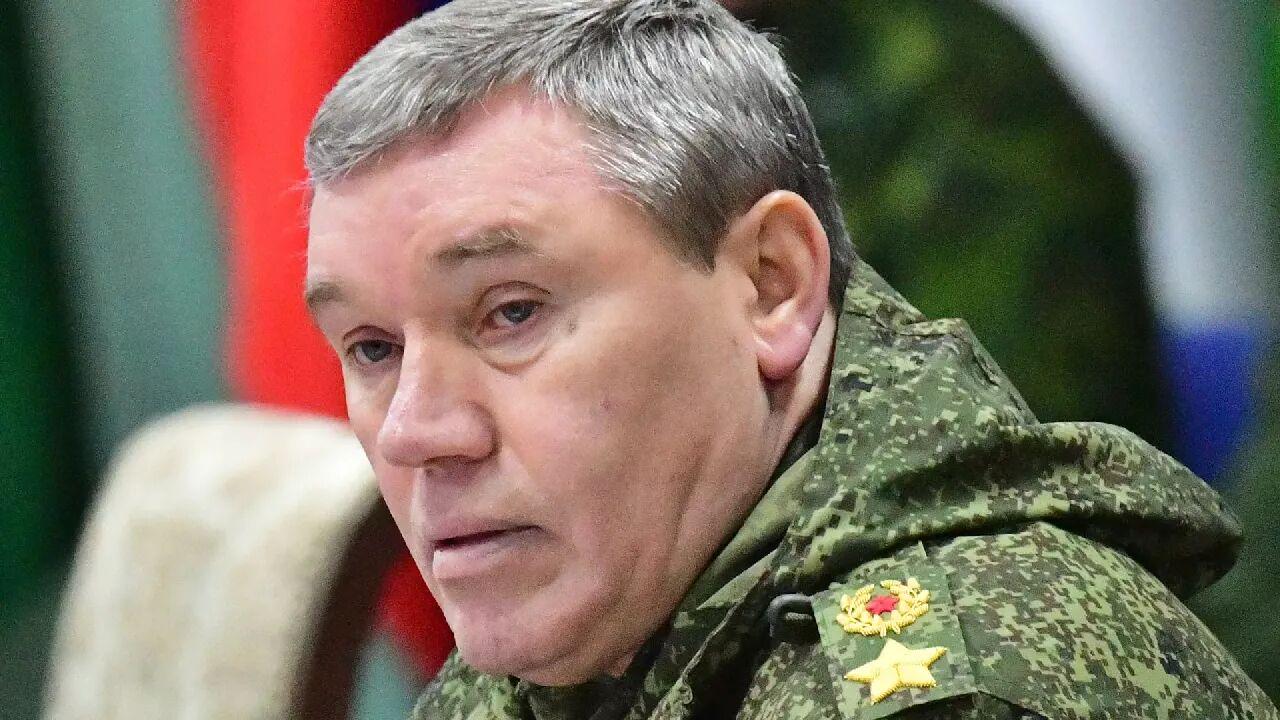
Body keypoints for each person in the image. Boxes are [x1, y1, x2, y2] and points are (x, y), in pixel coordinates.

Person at [301, 1, 1279, 717]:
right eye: (372, 347)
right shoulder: (578, 639)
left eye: (512, 313)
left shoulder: (953, 688)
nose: (416, 431)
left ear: (771, 285)